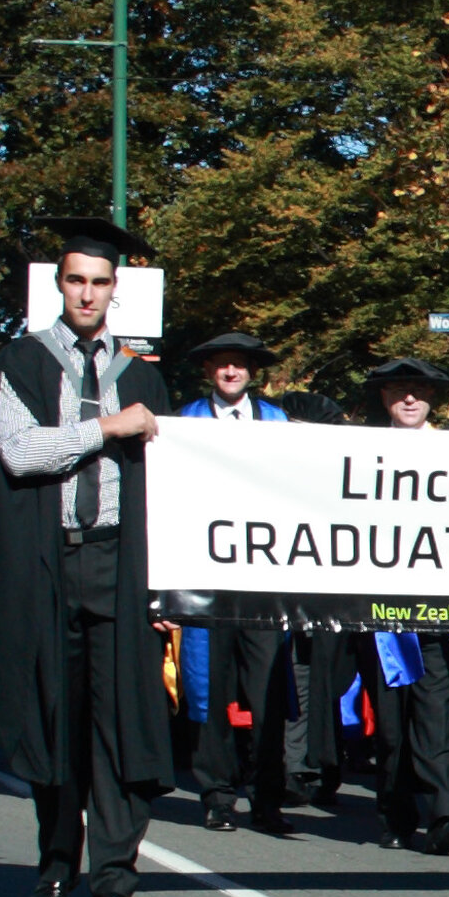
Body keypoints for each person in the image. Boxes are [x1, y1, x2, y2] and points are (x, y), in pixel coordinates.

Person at [0, 221, 176, 897]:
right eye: (75, 280)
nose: (87, 292)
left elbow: (177, 483)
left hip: (119, 564)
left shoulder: (143, 374)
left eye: (99, 281)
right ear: (58, 285)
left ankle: (116, 875)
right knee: (56, 719)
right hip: (48, 563)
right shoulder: (22, 363)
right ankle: (56, 862)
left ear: (115, 290)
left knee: (122, 722)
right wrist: (107, 429)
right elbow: (20, 453)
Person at [343, 356, 449, 854]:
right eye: (399, 390)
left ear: (433, 399)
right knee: (391, 725)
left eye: (419, 390)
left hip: (440, 612)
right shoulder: (360, 452)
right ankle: (395, 813)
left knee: (436, 713)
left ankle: (446, 816)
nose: (409, 398)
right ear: (385, 399)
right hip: (381, 614)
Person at [173, 331, 296, 836]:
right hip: (206, 575)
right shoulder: (184, 423)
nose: (230, 372)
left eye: (238, 365)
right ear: (209, 372)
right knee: (210, 688)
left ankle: (267, 797)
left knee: (266, 692)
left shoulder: (279, 422)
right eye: (221, 365)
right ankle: (217, 794)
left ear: (251, 372)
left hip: (264, 576)